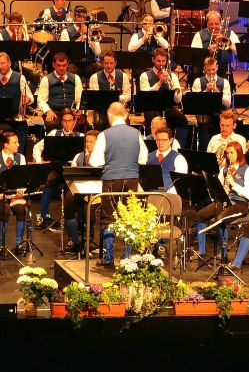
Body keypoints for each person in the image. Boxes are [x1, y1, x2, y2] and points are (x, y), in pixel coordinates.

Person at [88, 102, 148, 268]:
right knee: (130, 217)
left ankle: (109, 258)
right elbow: (143, 158)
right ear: (125, 115)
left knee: (109, 218)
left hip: (111, 180)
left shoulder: (105, 135)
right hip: (131, 180)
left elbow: (95, 161)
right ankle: (128, 257)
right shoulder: (136, 134)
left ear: (110, 115)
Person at [193, 140, 249, 261]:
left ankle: (223, 253)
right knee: (200, 215)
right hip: (225, 201)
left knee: (221, 218)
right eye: (227, 153)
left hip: (241, 204)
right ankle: (201, 251)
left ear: (239, 153)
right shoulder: (225, 170)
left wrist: (234, 185)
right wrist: (221, 188)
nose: (229, 156)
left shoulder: (248, 170)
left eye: (232, 153)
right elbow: (218, 187)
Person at [0, 127, 31, 256]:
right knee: (4, 210)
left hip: (15, 195)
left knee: (21, 208)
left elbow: (24, 179)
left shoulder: (20, 158)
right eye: (15, 142)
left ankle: (19, 245)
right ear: (6, 145)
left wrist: (21, 190)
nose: (18, 145)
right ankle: (2, 246)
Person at [33, 109, 83, 230]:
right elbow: (37, 147)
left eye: (69, 121)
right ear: (61, 122)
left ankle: (77, 220)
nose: (67, 123)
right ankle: (43, 217)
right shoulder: (54, 133)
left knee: (76, 188)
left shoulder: (81, 136)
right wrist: (39, 162)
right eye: (65, 121)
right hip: (57, 168)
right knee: (49, 180)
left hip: (73, 170)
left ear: (74, 122)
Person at [61, 131, 98, 256]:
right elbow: (71, 176)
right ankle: (76, 241)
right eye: (86, 141)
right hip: (78, 189)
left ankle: (88, 242)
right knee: (68, 202)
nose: (88, 144)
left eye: (91, 142)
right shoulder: (79, 156)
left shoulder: (101, 157)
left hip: (95, 191)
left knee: (89, 208)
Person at [37, 52, 82, 129]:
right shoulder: (46, 79)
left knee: (82, 123)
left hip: (72, 111)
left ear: (67, 65)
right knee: (51, 123)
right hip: (54, 111)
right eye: (59, 65)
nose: (61, 68)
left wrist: (78, 110)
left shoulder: (76, 78)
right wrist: (48, 111)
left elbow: (79, 98)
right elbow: (41, 100)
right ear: (53, 65)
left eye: (64, 65)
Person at [0, 50, 31, 114]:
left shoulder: (20, 78)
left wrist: (27, 99)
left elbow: (30, 97)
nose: (0, 66)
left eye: (3, 63)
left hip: (15, 115)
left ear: (9, 63)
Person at [147, 125, 188, 194]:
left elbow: (179, 183)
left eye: (164, 140)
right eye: (158, 140)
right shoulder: (149, 156)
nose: (160, 143)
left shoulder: (178, 158)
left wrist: (166, 194)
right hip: (149, 193)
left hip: (169, 195)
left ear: (170, 141)